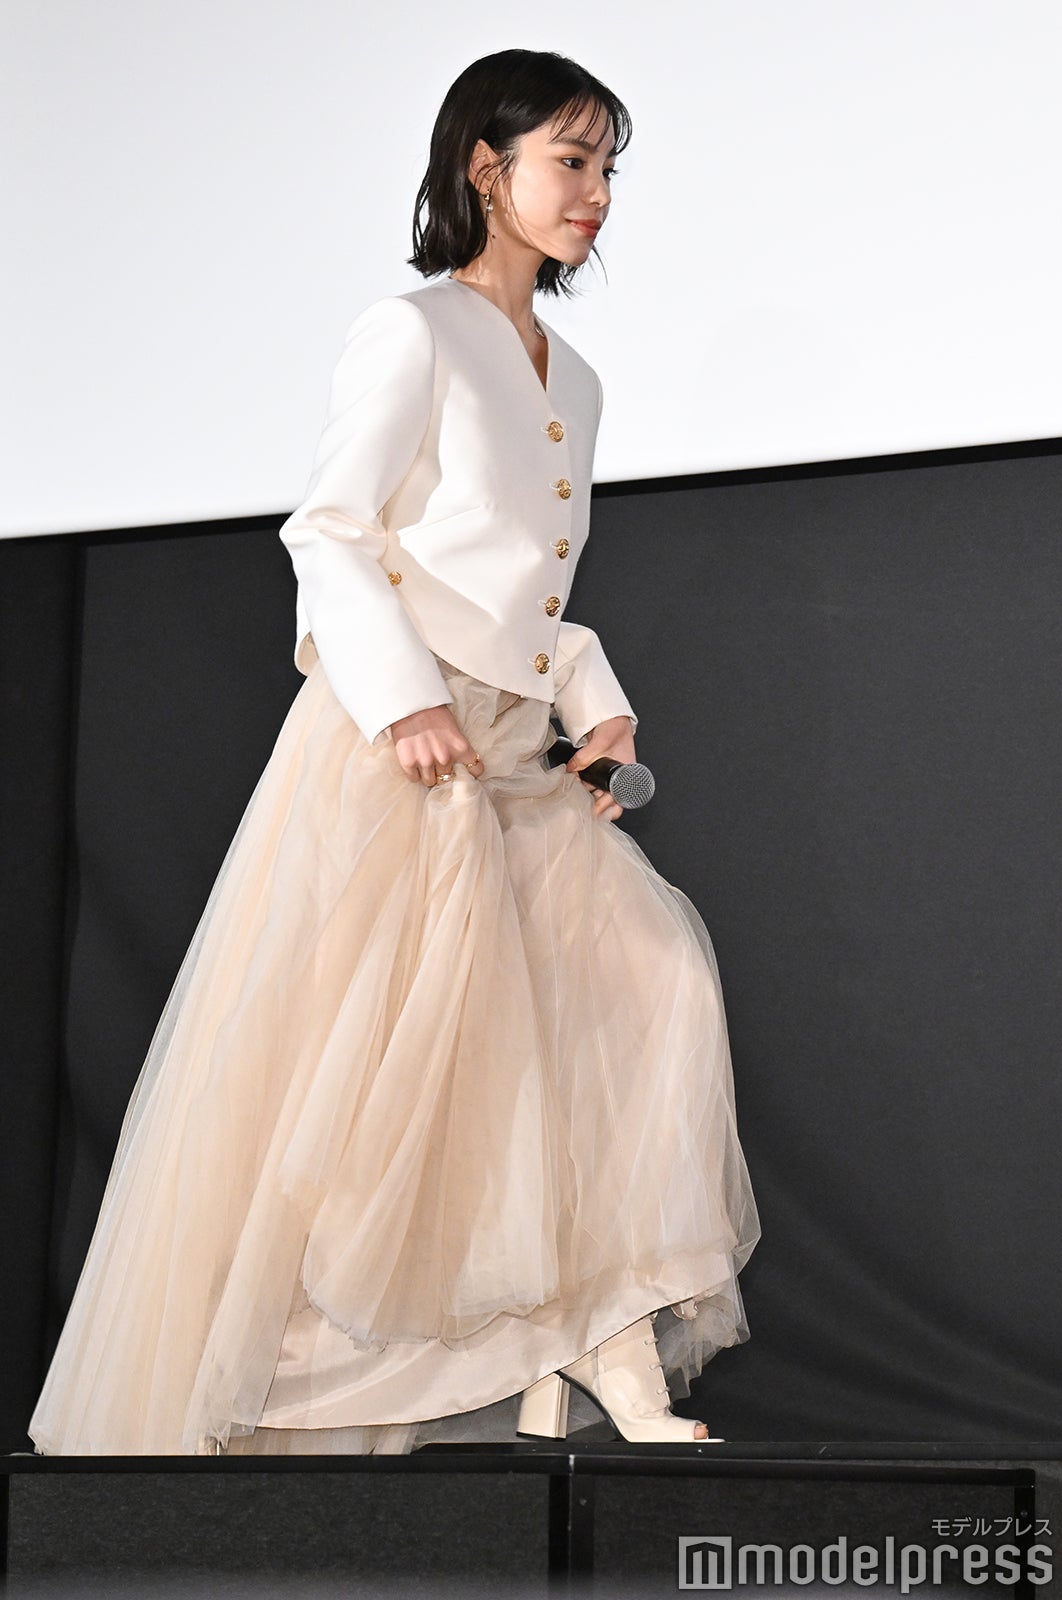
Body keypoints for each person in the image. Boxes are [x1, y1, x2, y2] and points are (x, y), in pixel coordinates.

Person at [28, 47, 760, 1457]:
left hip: (516, 755)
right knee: (378, 1100)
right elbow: (330, 532)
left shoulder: (574, 374)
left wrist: (595, 700)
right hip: (406, 756)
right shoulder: (414, 332)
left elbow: (520, 592)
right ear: (486, 168)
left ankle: (594, 1341)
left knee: (635, 1003)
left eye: (608, 168)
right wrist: (400, 699)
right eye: (571, 161)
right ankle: (272, 1392)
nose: (597, 193)